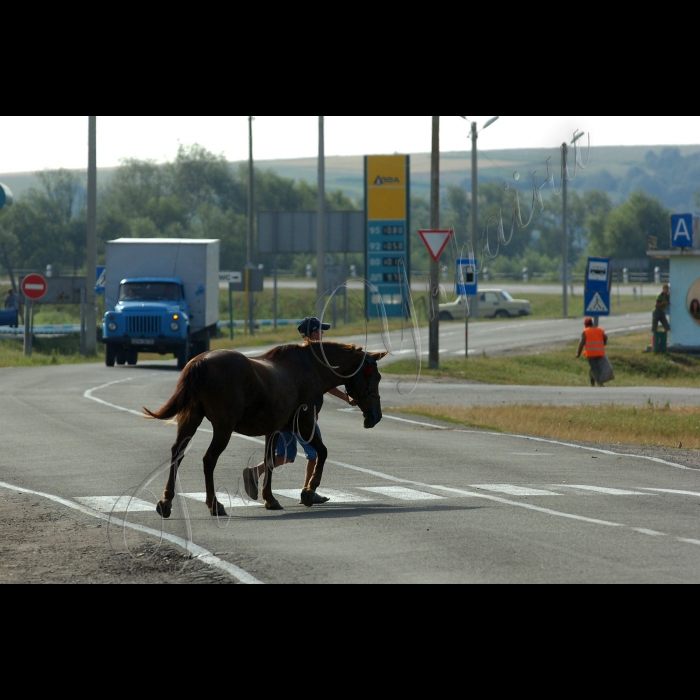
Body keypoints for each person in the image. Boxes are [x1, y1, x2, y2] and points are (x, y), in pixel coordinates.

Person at [242, 317, 357, 506]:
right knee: (316, 452)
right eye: (321, 331)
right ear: (313, 334)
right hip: (300, 416)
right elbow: (326, 385)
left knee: (286, 455)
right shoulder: (314, 358)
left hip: (284, 413)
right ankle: (308, 491)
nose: (323, 334)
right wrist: (345, 398)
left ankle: (255, 472)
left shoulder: (298, 355)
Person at [576, 317, 610, 387]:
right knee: (595, 368)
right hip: (600, 353)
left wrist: (578, 354)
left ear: (586, 324)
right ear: (591, 323)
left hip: (590, 354)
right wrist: (604, 343)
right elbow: (605, 337)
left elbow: (581, 343)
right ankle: (592, 383)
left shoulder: (586, 331)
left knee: (594, 368)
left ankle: (600, 383)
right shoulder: (599, 330)